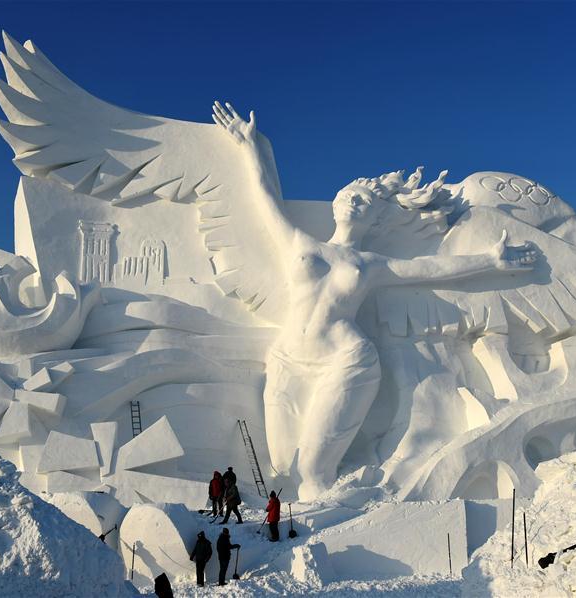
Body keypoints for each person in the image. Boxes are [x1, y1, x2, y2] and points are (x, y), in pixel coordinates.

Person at [212, 102, 537, 500]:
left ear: (375, 221)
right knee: (282, 470)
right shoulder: (298, 243)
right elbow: (265, 199)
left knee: (314, 474)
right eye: (350, 195)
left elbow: (433, 269)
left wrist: (491, 260)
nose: (354, 202)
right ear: (336, 201)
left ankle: (339, 532)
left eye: (363, 201)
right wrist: (250, 147)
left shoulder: (371, 266)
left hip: (345, 362)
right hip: (286, 362)